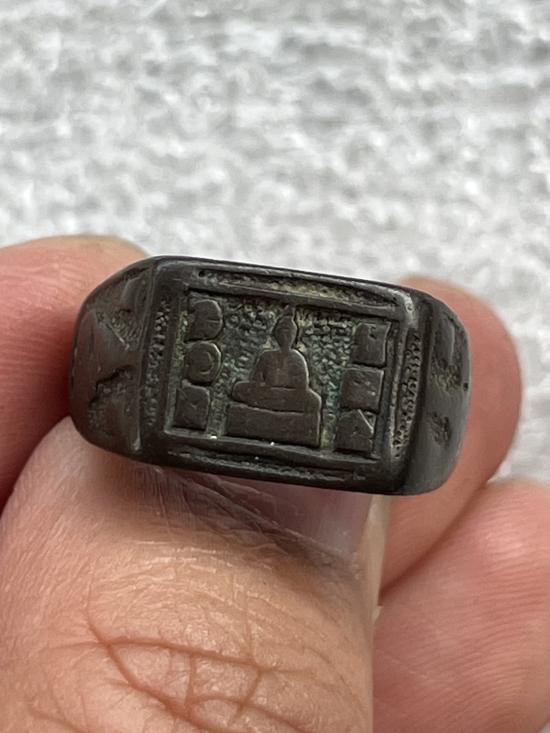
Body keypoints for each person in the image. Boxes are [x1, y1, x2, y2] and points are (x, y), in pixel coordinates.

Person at [0, 235, 548, 732]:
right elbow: (247, 385)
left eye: (287, 333)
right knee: (246, 395)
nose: (284, 339)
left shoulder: (300, 363)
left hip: (295, 410)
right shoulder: (264, 357)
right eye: (282, 333)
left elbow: (308, 396)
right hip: (254, 403)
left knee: (305, 403)